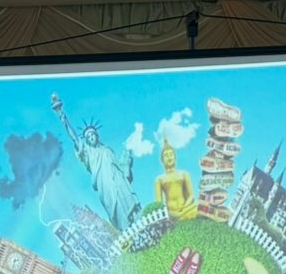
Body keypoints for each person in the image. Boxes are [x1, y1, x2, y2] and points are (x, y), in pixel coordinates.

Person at [50, 93, 142, 230]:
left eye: (93, 134)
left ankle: (138, 223)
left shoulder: (107, 150)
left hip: (119, 182)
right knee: (116, 210)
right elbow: (75, 139)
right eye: (88, 137)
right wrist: (63, 119)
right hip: (105, 186)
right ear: (86, 140)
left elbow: (121, 169)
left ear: (97, 136)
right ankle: (127, 230)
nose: (91, 137)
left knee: (128, 202)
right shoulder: (88, 153)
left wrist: (127, 161)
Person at [153, 141, 196, 221]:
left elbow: (191, 196)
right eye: (166, 155)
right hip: (172, 212)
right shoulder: (159, 179)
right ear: (162, 160)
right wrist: (169, 213)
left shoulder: (184, 174)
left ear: (175, 157)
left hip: (186, 209)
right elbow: (159, 204)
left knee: (199, 209)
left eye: (171, 154)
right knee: (172, 218)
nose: (169, 157)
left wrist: (184, 207)